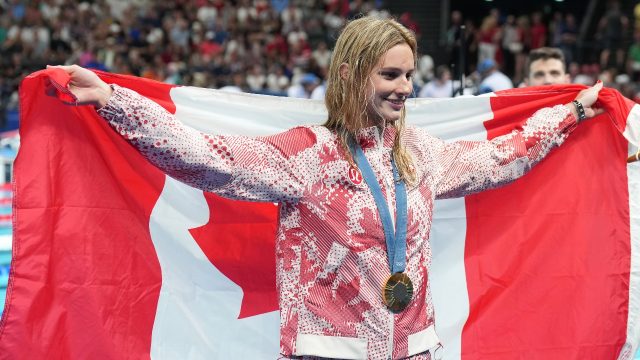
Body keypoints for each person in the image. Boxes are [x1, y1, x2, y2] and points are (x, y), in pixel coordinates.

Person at [49, 16, 602, 360]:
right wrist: (115, 102)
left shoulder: (421, 156)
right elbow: (206, 159)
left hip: (414, 349)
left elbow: (499, 159)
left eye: (408, 75)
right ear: (349, 75)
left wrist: (571, 113)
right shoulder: (307, 155)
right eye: (389, 75)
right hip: (329, 352)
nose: (404, 88)